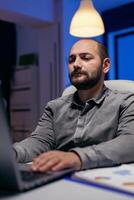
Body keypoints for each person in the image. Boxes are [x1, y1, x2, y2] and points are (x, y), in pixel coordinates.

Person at [13, 39, 134, 172]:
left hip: (105, 179)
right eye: (71, 60)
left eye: (85, 58)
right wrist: (11, 154)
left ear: (105, 65)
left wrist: (76, 158)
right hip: (58, 178)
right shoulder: (54, 107)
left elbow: (130, 141)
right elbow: (39, 142)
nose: (76, 64)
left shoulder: (127, 101)